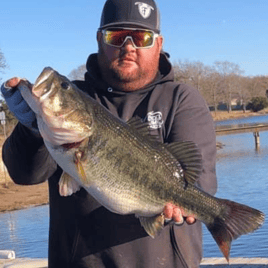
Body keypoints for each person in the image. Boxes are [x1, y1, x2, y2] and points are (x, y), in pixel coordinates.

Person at [1, 0, 217, 267]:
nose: (128, 47)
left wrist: (196, 204)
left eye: (141, 37)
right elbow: (25, 174)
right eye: (116, 36)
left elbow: (199, 178)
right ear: (99, 40)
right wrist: (31, 129)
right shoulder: (78, 100)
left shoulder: (180, 99)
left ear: (158, 44)